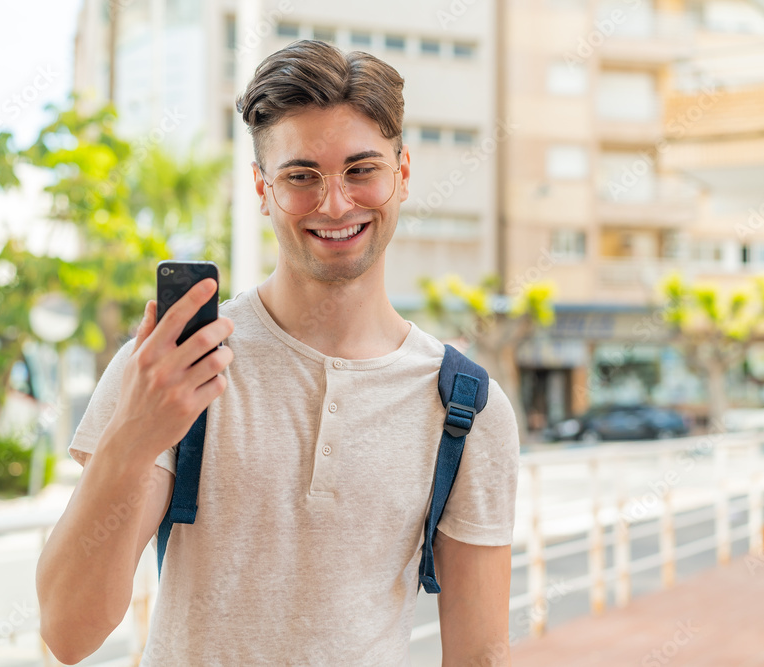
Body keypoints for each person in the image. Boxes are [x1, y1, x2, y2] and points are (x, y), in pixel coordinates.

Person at [36, 39, 519, 666]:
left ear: (401, 174)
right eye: (301, 177)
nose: (335, 203)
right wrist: (134, 430)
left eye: (361, 169)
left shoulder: (467, 406)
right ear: (262, 189)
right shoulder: (172, 365)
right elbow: (69, 633)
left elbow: (480, 655)